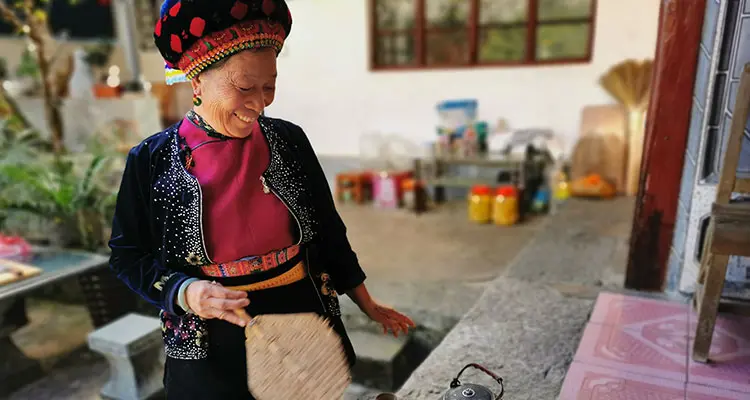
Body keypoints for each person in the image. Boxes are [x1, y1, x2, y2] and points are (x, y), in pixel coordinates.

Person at [107, 0, 414, 398]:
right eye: (244, 87)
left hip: (301, 309)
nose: (260, 103)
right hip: (212, 328)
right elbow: (126, 255)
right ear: (196, 81)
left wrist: (365, 300)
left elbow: (327, 230)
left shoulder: (288, 140)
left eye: (269, 85)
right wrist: (185, 292)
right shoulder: (152, 161)